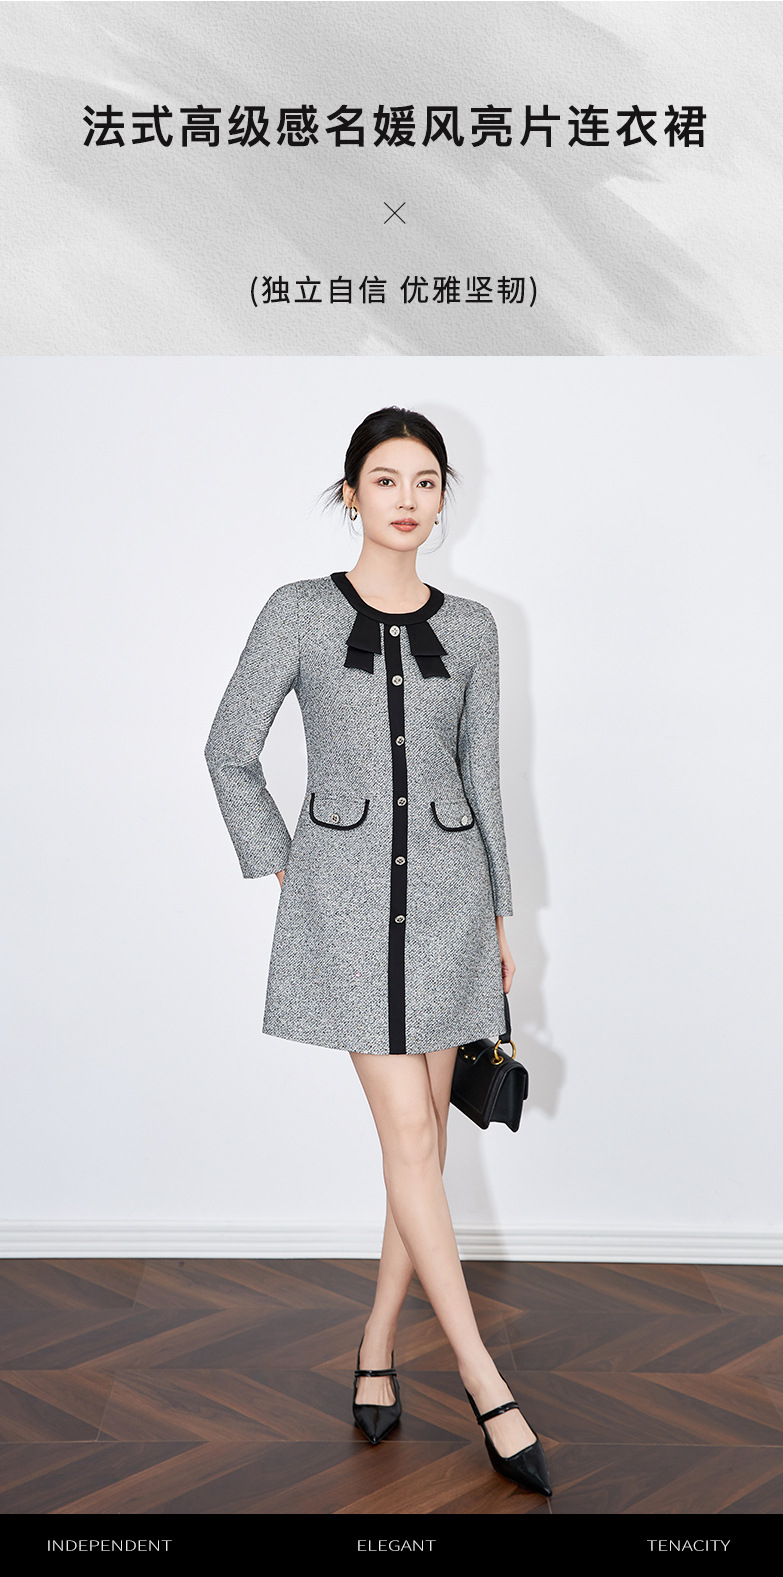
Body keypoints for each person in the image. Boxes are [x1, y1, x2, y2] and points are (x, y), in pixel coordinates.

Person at [204, 407, 552, 1497]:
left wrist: (501, 915)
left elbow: (485, 778)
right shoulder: (298, 611)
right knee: (410, 1135)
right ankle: (487, 1383)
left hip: (451, 907)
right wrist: (288, 866)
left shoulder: (476, 628)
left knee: (422, 1151)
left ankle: (374, 1345)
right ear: (350, 490)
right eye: (387, 478)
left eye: (427, 479)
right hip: (346, 914)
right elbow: (227, 749)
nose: (408, 498)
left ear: (445, 496)